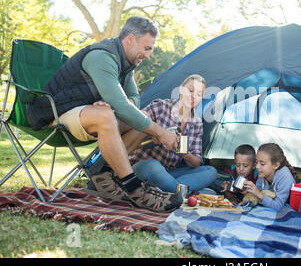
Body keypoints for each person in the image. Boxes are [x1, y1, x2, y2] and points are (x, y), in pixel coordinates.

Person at [26, 16, 183, 212]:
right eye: (147, 48)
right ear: (131, 39)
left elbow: (134, 98)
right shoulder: (102, 56)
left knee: (141, 117)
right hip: (54, 113)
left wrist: (117, 104)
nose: (148, 55)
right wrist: (160, 132)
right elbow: (122, 105)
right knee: (106, 116)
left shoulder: (125, 64)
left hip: (83, 112)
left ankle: (103, 174)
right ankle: (134, 189)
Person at [127, 74, 217, 195]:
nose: (193, 96)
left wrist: (185, 154)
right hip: (143, 166)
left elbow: (196, 162)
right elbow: (139, 118)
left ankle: (164, 190)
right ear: (181, 89)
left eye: (199, 94)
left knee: (210, 171)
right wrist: (157, 133)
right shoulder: (162, 106)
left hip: (168, 173)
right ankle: (183, 193)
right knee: (153, 166)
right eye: (190, 90)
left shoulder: (197, 123)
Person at [243, 143, 296, 211]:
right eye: (256, 162)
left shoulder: (286, 178)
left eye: (262, 164)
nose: (257, 167)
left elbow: (278, 206)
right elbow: (256, 199)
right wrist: (248, 192)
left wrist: (259, 194)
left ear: (275, 165)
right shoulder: (262, 175)